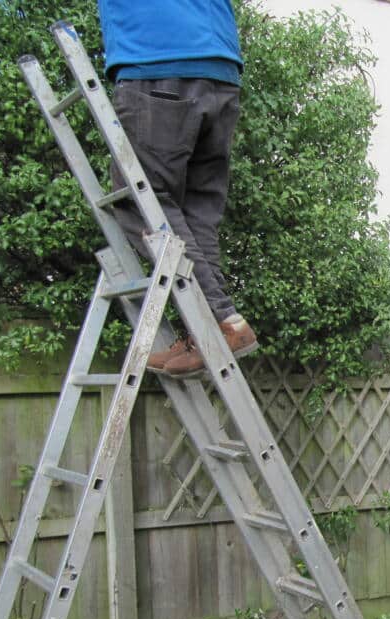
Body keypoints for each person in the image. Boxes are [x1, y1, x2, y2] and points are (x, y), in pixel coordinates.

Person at [97, 0, 258, 378]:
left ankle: (222, 320)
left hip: (158, 60)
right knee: (196, 214)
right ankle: (211, 329)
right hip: (221, 69)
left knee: (141, 203)